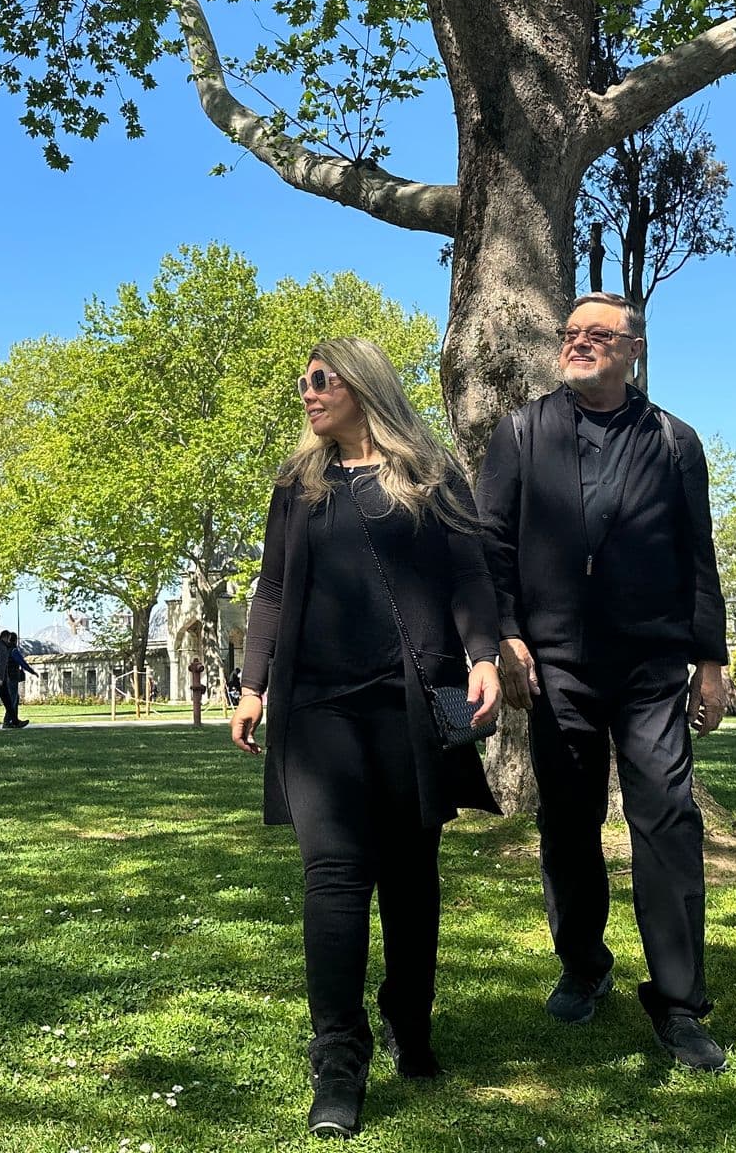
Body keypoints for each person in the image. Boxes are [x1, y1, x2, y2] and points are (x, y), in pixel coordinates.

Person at [229, 337, 502, 1140]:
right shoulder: (298, 484)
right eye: (303, 384)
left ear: (362, 384)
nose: (308, 394)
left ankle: (409, 1025)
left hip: (413, 702)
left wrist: (484, 655)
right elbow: (273, 585)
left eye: (321, 380)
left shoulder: (429, 471)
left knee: (413, 874)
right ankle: (338, 1058)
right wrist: (251, 687)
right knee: (336, 876)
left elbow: (470, 574)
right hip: (317, 711)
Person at [475, 292, 730, 1072]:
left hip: (652, 664)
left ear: (632, 350)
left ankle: (680, 1002)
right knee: (569, 824)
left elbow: (698, 556)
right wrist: (506, 636)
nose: (579, 343)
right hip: (554, 668)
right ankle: (583, 966)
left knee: (669, 821)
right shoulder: (520, 432)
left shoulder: (675, 443)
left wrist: (710, 661)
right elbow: (491, 544)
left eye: (598, 335)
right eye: (572, 333)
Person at [5, 631, 37, 727]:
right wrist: (32, 671)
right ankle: (8, 721)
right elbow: (22, 662)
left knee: (13, 698)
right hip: (12, 677)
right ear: (15, 640)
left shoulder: (5, 650)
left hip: (6, 677)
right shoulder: (13, 650)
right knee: (13, 699)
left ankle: (13, 720)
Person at [190, 655, 207, 727]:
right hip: (196, 687)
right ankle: (197, 722)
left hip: (197, 687)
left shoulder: (196, 667)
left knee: (197, 702)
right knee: (197, 702)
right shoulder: (197, 667)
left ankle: (197, 722)